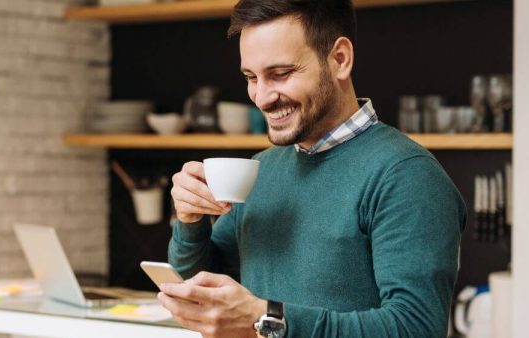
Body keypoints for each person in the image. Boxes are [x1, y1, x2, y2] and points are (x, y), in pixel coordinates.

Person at [158, 0, 466, 337]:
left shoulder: (407, 175)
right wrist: (190, 222)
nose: (262, 97)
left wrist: (267, 319)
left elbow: (415, 328)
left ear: (339, 60)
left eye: (280, 74)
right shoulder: (262, 168)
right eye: (251, 77)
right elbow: (203, 289)